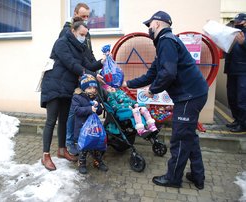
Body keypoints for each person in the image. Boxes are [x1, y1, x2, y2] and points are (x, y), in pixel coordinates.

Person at [122, 11, 208, 189]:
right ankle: (198, 176)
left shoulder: (166, 41)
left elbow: (168, 73)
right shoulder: (166, 43)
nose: (148, 29)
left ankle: (173, 178)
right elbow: (152, 73)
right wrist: (127, 83)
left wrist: (153, 90)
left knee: (180, 139)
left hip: (188, 97)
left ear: (158, 24)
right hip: (193, 95)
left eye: (150, 25)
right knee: (189, 136)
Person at [40, 21, 105, 171]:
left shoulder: (79, 48)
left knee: (63, 120)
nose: (83, 37)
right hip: (54, 85)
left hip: (67, 87)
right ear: (73, 31)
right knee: (51, 120)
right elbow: (72, 64)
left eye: (85, 35)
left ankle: (62, 150)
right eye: (81, 34)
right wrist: (93, 75)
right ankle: (46, 155)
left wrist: (102, 62)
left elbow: (88, 65)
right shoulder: (61, 43)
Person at [60, 3, 98, 156]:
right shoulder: (66, 31)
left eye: (88, 16)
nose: (86, 19)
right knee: (72, 110)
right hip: (73, 76)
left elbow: (88, 53)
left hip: (83, 73)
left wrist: (96, 68)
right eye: (83, 16)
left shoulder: (85, 32)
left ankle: (83, 137)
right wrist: (82, 72)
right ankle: (70, 142)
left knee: (85, 107)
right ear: (75, 13)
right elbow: (68, 58)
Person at [71, 74, 108, 174]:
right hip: (82, 129)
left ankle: (98, 162)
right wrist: (89, 109)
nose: (92, 90)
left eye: (94, 87)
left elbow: (99, 112)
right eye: (89, 88)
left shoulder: (95, 97)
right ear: (83, 88)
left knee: (96, 146)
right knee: (84, 148)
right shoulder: (77, 97)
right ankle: (82, 163)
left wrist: (98, 106)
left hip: (94, 129)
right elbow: (76, 110)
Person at [224, 13, 246, 133]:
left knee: (242, 98)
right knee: (232, 97)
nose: (236, 23)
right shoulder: (233, 33)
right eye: (236, 21)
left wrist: (243, 43)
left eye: (239, 21)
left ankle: (243, 124)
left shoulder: (242, 35)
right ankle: (237, 120)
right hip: (231, 70)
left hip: (243, 71)